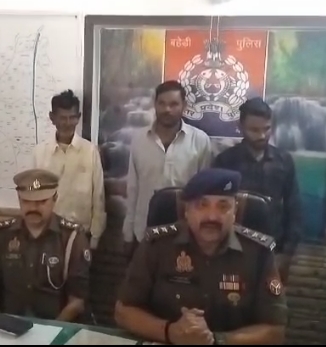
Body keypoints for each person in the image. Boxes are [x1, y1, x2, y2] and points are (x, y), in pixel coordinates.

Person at [115, 168, 287, 345]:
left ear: (235, 211)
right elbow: (123, 311)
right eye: (201, 205)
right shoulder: (157, 245)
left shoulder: (259, 253)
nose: (212, 216)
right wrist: (170, 331)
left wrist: (215, 340)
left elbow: (275, 330)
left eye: (223, 206)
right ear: (187, 210)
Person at [0, 169, 91, 322]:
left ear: (55, 199)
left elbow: (77, 302)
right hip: (8, 325)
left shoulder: (72, 238)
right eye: (26, 202)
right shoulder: (2, 236)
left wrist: (50, 331)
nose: (33, 208)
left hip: (56, 325)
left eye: (41, 202)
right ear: (19, 199)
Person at [213, 97, 301, 282]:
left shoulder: (284, 161)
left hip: (274, 248)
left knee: (271, 298)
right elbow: (216, 208)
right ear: (240, 126)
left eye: (267, 129)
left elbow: (294, 208)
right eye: (254, 130)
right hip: (233, 248)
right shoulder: (225, 161)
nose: (261, 135)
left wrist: (287, 253)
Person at [123, 81, 212, 257]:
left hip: (185, 233)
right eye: (162, 103)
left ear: (184, 106)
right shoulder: (139, 140)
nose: (167, 110)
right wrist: (128, 233)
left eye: (173, 104)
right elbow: (133, 189)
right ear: (155, 104)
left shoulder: (200, 141)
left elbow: (205, 194)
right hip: (144, 232)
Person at [33, 90, 105, 250]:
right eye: (62, 118)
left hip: (81, 235)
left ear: (78, 117)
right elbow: (34, 197)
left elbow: (98, 198)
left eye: (72, 117)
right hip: (48, 234)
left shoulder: (90, 151)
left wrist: (95, 238)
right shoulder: (39, 153)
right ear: (52, 118)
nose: (67, 123)